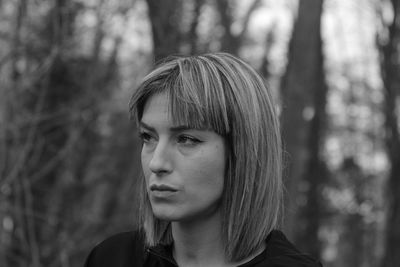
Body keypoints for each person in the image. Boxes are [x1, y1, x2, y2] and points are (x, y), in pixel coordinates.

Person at [84, 53, 323, 267]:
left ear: (244, 152)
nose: (156, 163)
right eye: (148, 137)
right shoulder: (114, 258)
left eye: (186, 139)